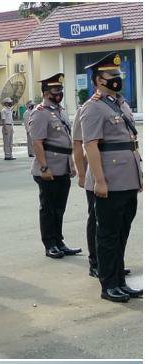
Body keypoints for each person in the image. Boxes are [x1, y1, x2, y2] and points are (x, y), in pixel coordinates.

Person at [81, 52, 143, 304]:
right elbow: (91, 146)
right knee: (107, 235)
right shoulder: (93, 107)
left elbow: (131, 144)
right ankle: (109, 285)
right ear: (98, 80)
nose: (117, 79)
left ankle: (119, 280)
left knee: (121, 234)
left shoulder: (121, 104)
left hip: (128, 179)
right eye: (111, 76)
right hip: (110, 180)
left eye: (119, 75)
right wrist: (99, 180)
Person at [29, 73, 81, 261]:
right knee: (48, 208)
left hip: (63, 167)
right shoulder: (40, 113)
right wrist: (44, 167)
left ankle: (59, 241)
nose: (58, 93)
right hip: (48, 168)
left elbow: (66, 140)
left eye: (60, 89)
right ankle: (49, 244)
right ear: (45, 92)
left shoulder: (60, 111)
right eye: (54, 90)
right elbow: (37, 142)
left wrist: (72, 164)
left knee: (59, 208)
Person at [72, 89, 104, 279]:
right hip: (94, 172)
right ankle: (96, 262)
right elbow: (78, 145)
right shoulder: (86, 109)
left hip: (116, 172)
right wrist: (81, 174)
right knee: (96, 218)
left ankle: (111, 262)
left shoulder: (118, 105)